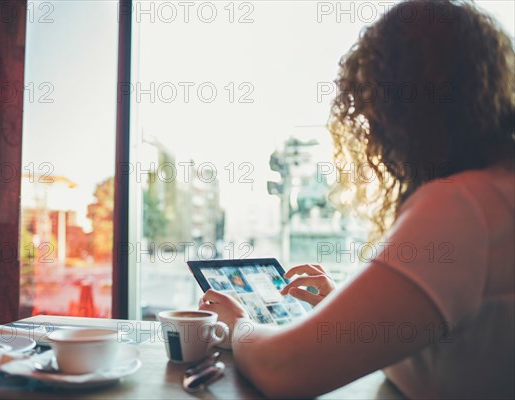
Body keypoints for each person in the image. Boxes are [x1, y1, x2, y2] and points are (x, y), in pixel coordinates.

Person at [199, 1, 515, 398]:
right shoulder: (498, 191)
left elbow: (282, 369)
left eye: (372, 109)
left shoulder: (463, 204)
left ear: (399, 109)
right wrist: (346, 308)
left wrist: (239, 323)